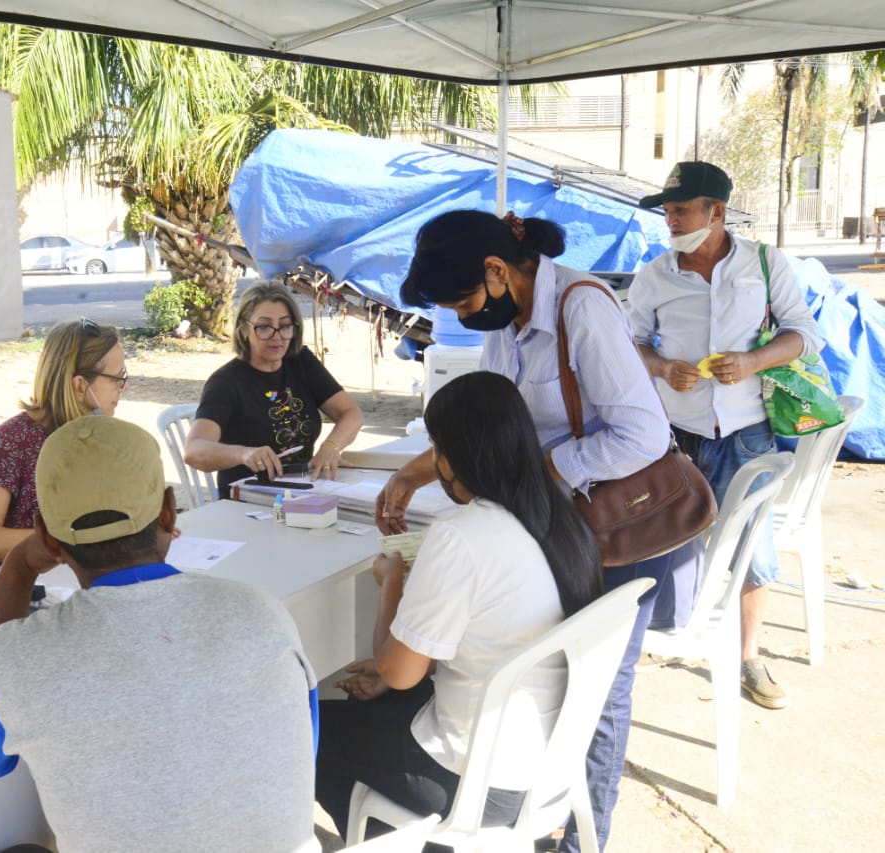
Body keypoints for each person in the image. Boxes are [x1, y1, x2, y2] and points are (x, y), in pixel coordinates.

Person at [375, 209, 699, 852]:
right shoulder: (511, 320)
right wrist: (421, 468)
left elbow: (642, 434)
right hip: (567, 521)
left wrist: (540, 467)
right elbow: (498, 417)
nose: (464, 317)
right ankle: (528, 808)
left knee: (597, 690)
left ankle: (582, 842)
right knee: (543, 668)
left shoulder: (583, 307)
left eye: (465, 301)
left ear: (497, 270)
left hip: (622, 525)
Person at [0, 416, 321, 852]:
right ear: (168, 511)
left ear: (45, 534)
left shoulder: (14, 657)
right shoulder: (263, 613)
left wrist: (18, 566)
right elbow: (295, 757)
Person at [316, 371, 603, 842]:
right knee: (376, 706)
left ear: (457, 457)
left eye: (437, 447)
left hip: (477, 781)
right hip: (546, 766)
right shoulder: (562, 520)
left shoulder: (461, 536)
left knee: (308, 732)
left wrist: (390, 582)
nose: (435, 462)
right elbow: (491, 639)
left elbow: (397, 672)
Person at [629, 160, 823, 710]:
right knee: (665, 540)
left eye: (681, 209)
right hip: (677, 435)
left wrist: (754, 360)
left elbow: (806, 336)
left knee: (753, 551)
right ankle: (666, 633)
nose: (671, 220)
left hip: (746, 433)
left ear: (716, 212)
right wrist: (664, 368)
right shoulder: (655, 276)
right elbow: (631, 343)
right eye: (667, 210)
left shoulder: (765, 263)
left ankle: (748, 657)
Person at [0, 317, 127, 581]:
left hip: (77, 579)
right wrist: (72, 542)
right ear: (79, 385)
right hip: (16, 590)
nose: (124, 387)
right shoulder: (12, 440)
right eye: (116, 378)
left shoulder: (100, 434)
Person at [185, 280, 363, 498]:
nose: (277, 336)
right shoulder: (226, 382)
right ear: (243, 330)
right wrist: (243, 454)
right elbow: (194, 450)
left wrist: (331, 447)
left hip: (303, 489)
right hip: (247, 500)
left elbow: (351, 414)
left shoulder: (300, 362)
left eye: (285, 326)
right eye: (264, 327)